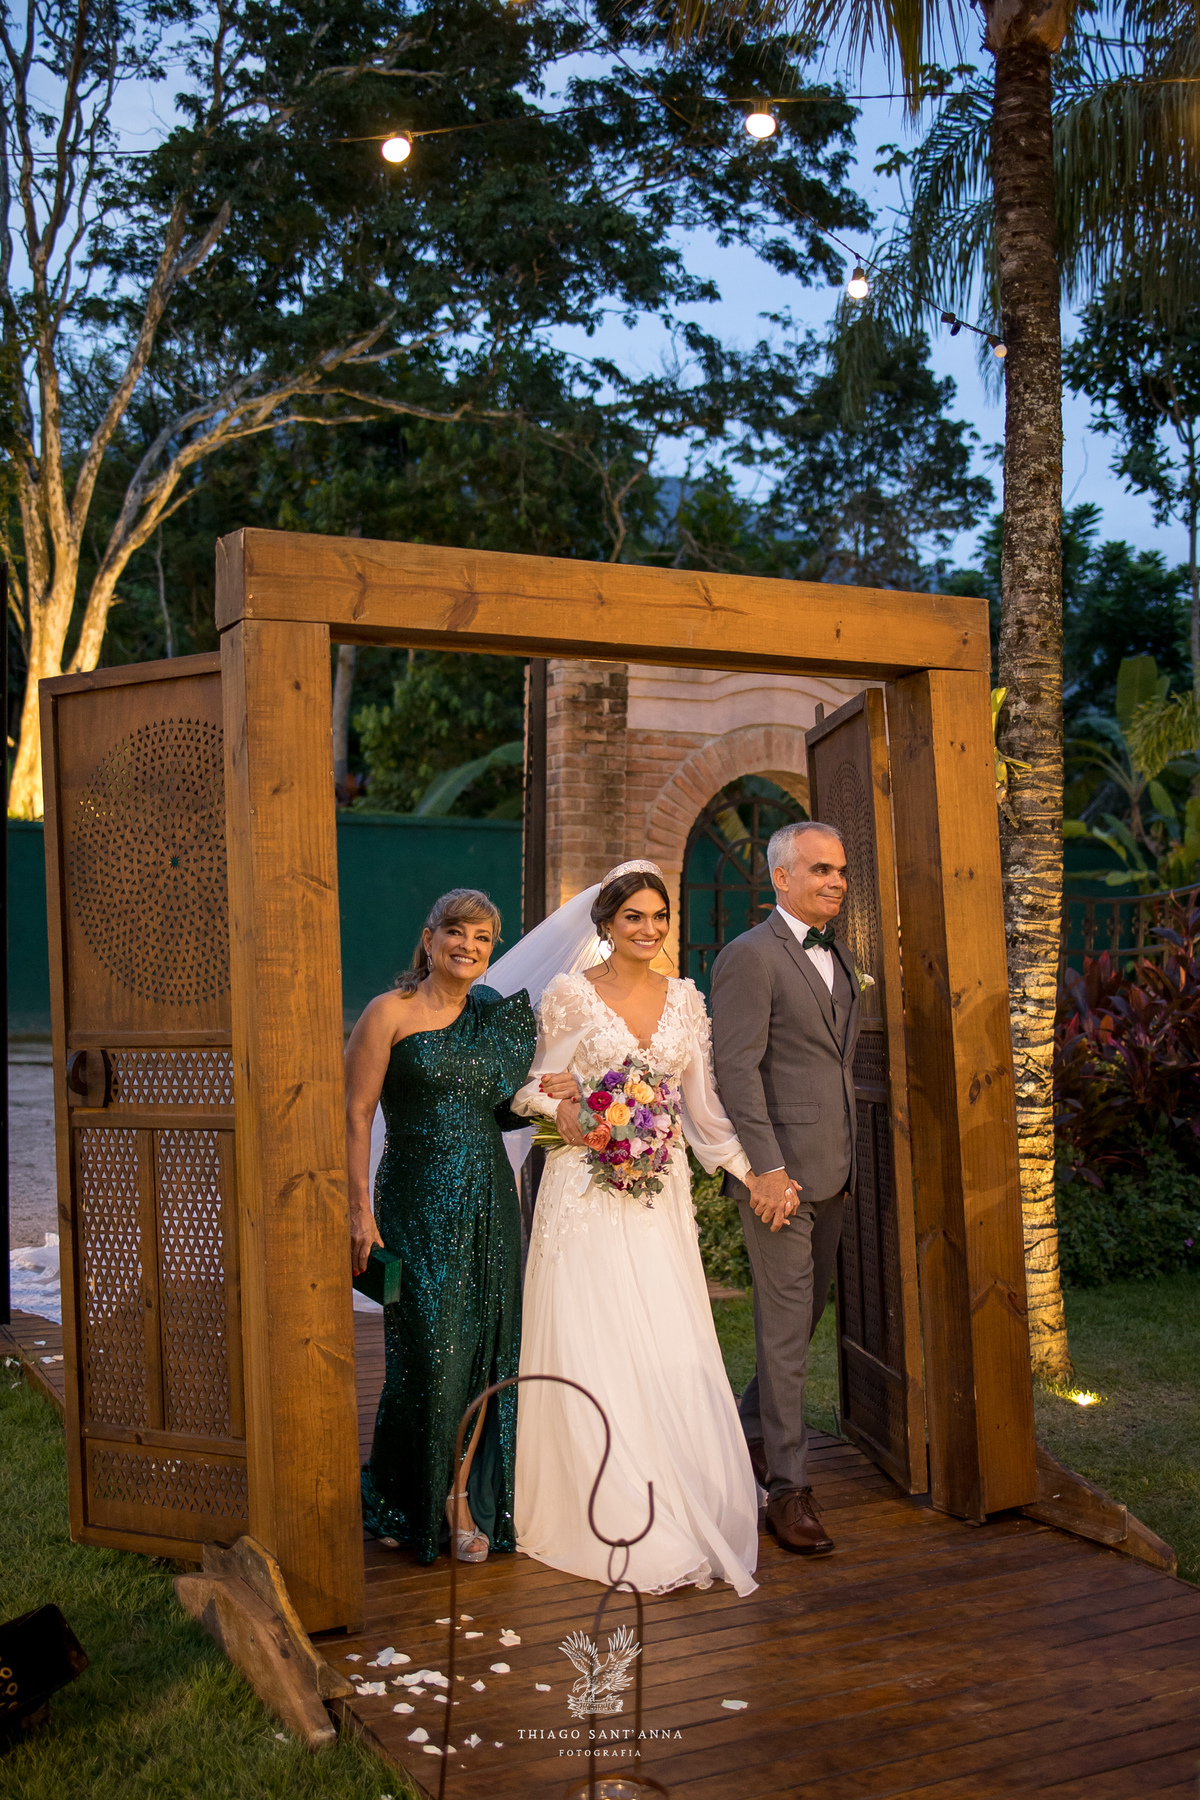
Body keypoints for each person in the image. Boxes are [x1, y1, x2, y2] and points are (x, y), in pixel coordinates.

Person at [494, 860, 760, 1597]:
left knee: (667, 1329)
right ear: (606, 923)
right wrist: (565, 1108)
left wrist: (753, 1173)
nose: (649, 929)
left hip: (659, 1191)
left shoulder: (686, 999)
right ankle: (599, 1499)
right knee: (594, 1331)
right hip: (582, 1187)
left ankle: (675, 1483)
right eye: (633, 916)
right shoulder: (570, 995)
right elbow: (530, 1087)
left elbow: (703, 1113)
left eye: (658, 916)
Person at [345, 888, 536, 1564]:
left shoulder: (494, 1016)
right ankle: (400, 1492)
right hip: (415, 1201)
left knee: (483, 1350)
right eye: (457, 932)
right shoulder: (388, 1012)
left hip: (488, 1200)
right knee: (427, 1357)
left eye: (482, 938)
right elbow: (356, 1113)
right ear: (429, 939)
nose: (468, 946)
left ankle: (458, 1498)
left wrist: (552, 1096)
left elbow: (506, 1110)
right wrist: (358, 1208)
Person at [710, 820, 861, 1557]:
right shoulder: (749, 956)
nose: (836, 881)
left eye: (840, 870)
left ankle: (749, 1426)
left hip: (834, 1170)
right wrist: (765, 1170)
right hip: (781, 1180)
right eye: (821, 869)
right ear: (781, 876)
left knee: (802, 1321)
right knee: (784, 1327)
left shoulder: (841, 954)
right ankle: (787, 1489)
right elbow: (736, 1069)